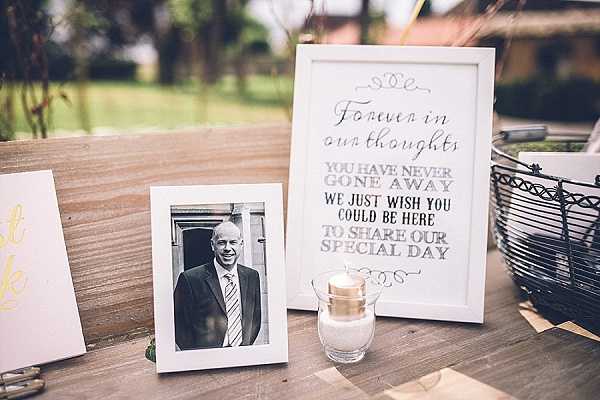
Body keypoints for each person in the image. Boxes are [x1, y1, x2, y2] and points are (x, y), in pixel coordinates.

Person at [174, 221, 261, 350]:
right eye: (221, 242)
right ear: (212, 245)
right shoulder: (190, 279)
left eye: (233, 242)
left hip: (242, 355)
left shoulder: (252, 276)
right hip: (206, 360)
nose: (227, 248)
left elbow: (255, 319)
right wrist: (198, 357)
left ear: (241, 245)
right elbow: (178, 326)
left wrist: (245, 348)